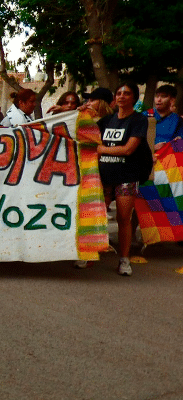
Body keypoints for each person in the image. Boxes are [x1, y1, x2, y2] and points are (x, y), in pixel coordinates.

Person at [80, 83, 153, 276]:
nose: (121, 96)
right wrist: (80, 113)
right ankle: (88, 253)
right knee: (94, 216)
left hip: (127, 176)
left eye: (126, 93)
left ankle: (124, 259)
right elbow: (85, 135)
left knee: (123, 218)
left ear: (134, 98)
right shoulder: (106, 121)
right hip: (103, 177)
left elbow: (129, 149)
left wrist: (102, 149)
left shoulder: (138, 120)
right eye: (119, 93)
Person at [144, 84, 183, 149]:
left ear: (172, 100)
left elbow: (180, 147)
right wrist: (153, 148)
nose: (159, 100)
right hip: (146, 155)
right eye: (157, 96)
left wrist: (177, 142)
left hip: (167, 156)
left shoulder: (177, 120)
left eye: (163, 97)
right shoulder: (145, 115)